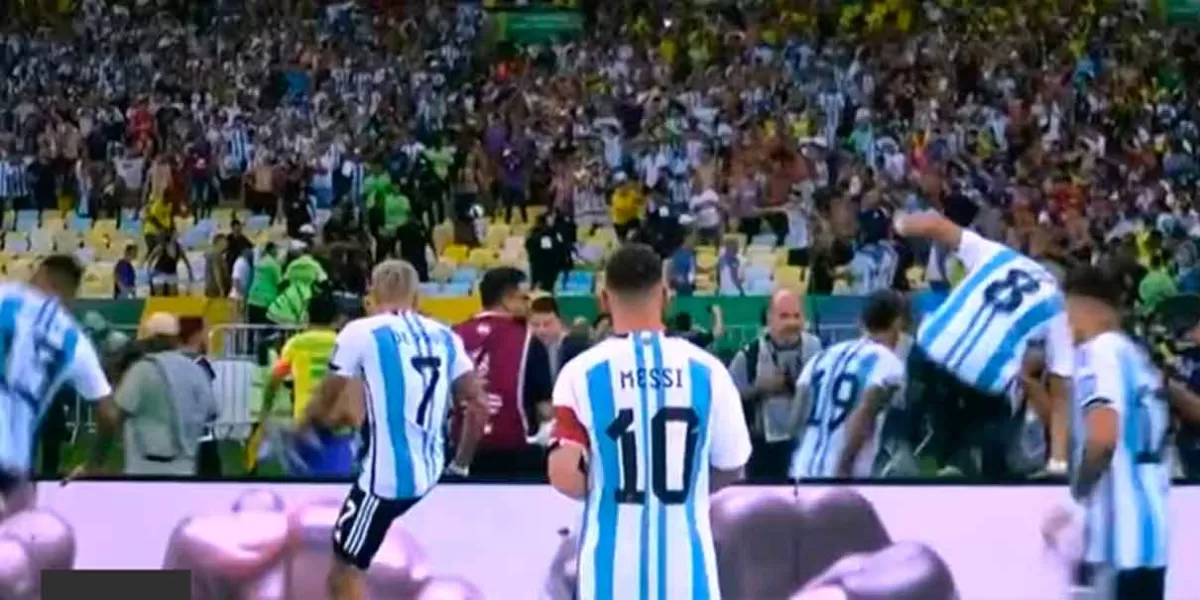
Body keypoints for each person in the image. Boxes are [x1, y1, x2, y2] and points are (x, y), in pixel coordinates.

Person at [546, 243, 752, 600]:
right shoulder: (708, 371)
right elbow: (733, 467)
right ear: (666, 296)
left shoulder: (579, 373)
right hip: (688, 568)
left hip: (610, 571)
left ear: (603, 300)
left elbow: (565, 477)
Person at [305, 260, 488, 600]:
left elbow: (328, 395)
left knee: (343, 569)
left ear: (371, 294)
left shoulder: (361, 332)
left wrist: (301, 428)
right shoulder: (446, 336)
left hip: (385, 477)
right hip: (431, 470)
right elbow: (477, 404)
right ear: (417, 296)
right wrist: (460, 463)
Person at [894, 210, 1073, 478]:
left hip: (930, 348)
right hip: (980, 380)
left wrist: (903, 224)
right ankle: (962, 459)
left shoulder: (997, 254)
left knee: (927, 395)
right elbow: (1060, 392)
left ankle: (902, 443)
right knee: (998, 403)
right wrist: (1059, 462)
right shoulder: (1058, 307)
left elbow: (936, 224)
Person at [1042, 266, 1168, 600]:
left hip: (1117, 540)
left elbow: (1102, 437)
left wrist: (1075, 497)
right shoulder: (1138, 358)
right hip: (1151, 533)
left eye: (1069, 315)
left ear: (1085, 309)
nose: (1068, 327)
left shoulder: (1099, 353)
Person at [1, 256, 114, 488]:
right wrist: (94, 464)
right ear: (72, 292)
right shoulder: (75, 339)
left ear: (40, 273)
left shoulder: (4, 295)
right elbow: (109, 414)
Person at [788, 291, 907, 479]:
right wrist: (843, 466)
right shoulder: (888, 362)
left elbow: (795, 419)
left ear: (861, 322)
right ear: (898, 323)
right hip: (844, 476)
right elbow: (865, 411)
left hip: (801, 471)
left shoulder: (820, 357)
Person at [451, 267, 554, 478]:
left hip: (462, 452)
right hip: (515, 454)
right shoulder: (529, 340)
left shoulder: (453, 335)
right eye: (524, 298)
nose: (529, 306)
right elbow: (544, 409)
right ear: (507, 299)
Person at [256, 289, 354, 477]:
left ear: (307, 316)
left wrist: (265, 410)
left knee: (301, 485)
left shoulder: (296, 343)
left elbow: (275, 379)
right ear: (336, 318)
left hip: (305, 422)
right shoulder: (343, 343)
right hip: (338, 422)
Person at [729, 289, 823, 479]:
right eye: (784, 316)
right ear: (769, 318)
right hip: (765, 451)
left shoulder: (818, 350)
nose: (792, 323)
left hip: (807, 445)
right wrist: (759, 389)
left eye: (796, 316)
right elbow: (727, 403)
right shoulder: (749, 356)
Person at [529, 296, 591, 380]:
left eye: (547, 324)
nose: (541, 330)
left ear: (560, 322)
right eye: (535, 325)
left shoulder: (577, 348)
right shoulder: (528, 352)